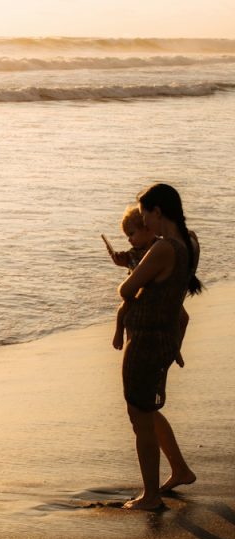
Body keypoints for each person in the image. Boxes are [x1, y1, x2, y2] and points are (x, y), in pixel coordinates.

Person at [117, 183, 202, 510]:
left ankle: (150, 496)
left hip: (146, 341)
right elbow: (173, 293)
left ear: (157, 211)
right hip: (164, 338)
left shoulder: (164, 248)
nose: (143, 222)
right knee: (148, 411)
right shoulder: (189, 242)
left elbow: (127, 289)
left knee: (139, 416)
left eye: (144, 215)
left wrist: (132, 269)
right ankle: (179, 469)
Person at [109, 205, 190, 366]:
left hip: (161, 294)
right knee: (123, 309)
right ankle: (118, 331)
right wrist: (123, 263)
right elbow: (135, 272)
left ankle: (175, 348)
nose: (129, 240)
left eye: (132, 234)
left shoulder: (161, 246)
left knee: (183, 318)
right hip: (139, 294)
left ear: (147, 229)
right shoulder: (132, 253)